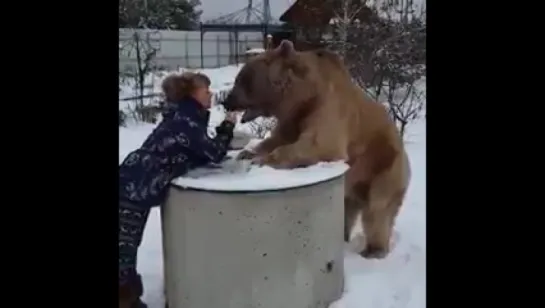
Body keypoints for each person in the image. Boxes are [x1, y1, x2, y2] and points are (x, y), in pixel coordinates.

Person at [119, 72, 238, 308]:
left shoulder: (184, 116)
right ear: (193, 94)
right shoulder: (186, 121)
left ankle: (128, 298)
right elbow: (212, 152)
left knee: (125, 249)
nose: (211, 94)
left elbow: (193, 151)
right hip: (133, 188)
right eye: (206, 90)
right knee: (123, 250)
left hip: (133, 182)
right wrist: (228, 125)